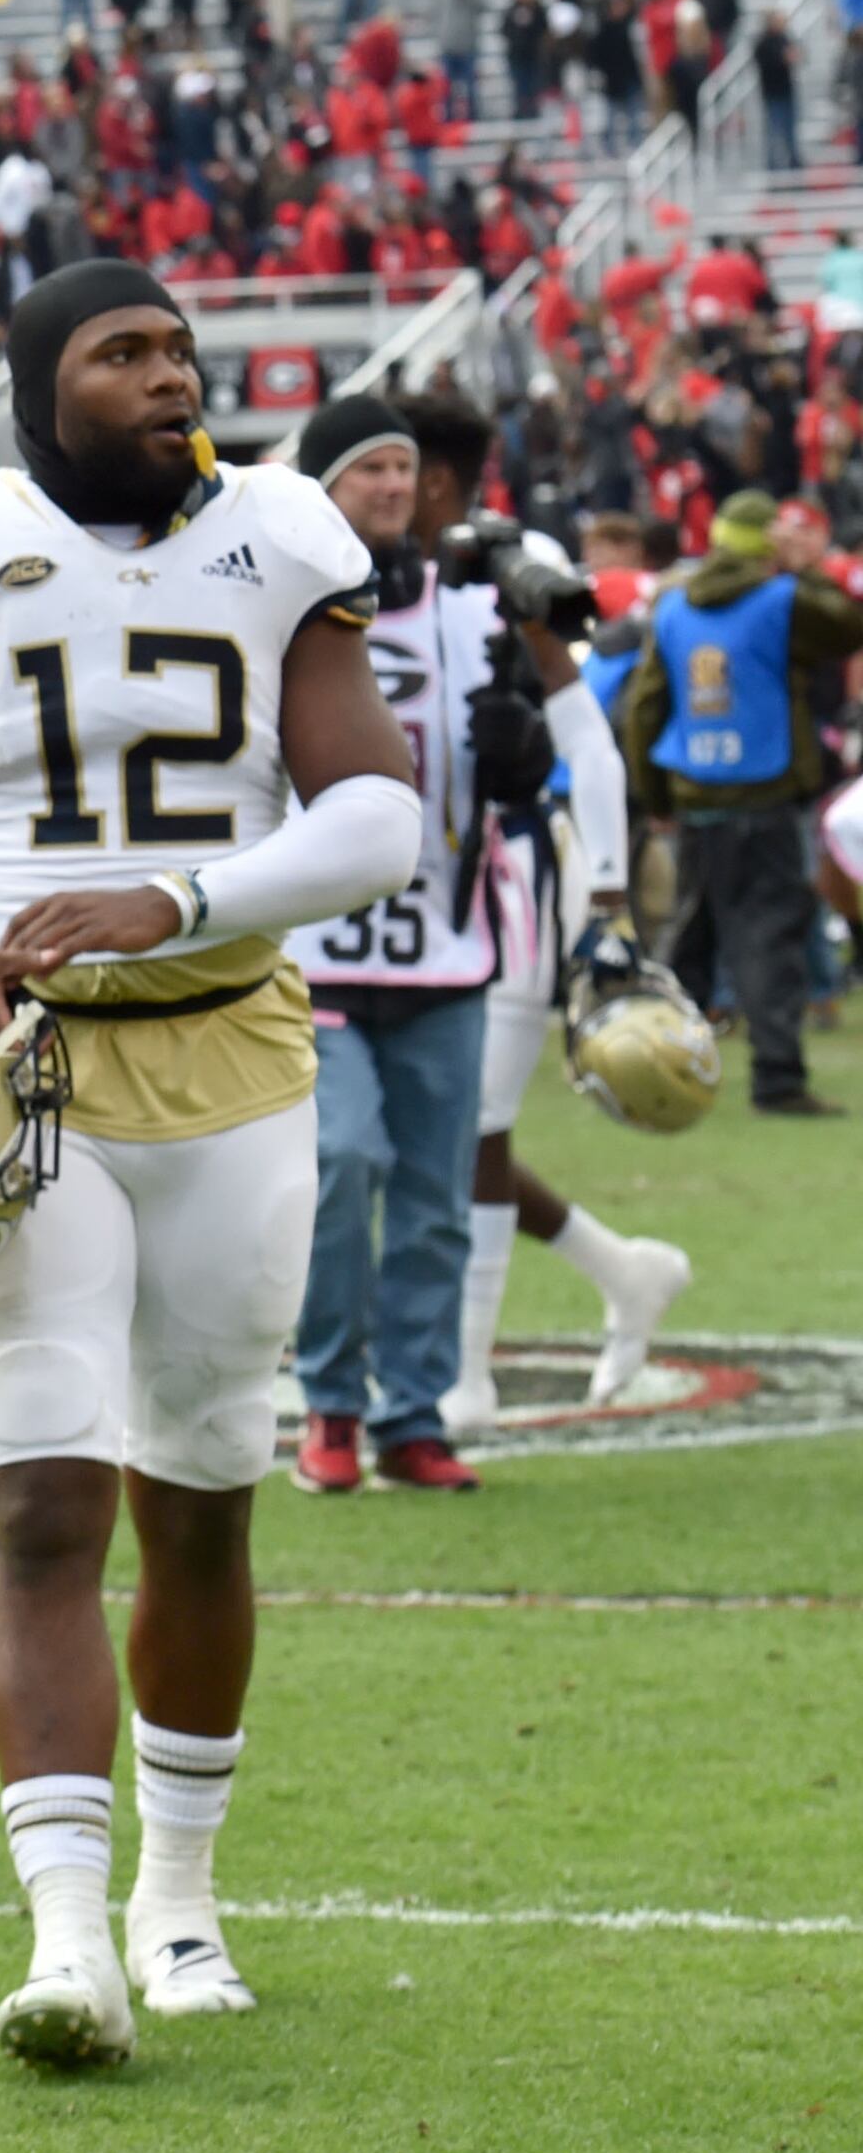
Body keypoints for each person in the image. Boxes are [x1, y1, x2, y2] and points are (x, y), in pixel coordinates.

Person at [0, 261, 419, 2063]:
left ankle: (182, 1896)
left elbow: (374, 811)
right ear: (33, 385)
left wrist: (181, 895)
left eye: (178, 350)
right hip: (22, 1075)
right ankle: (67, 1935)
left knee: (202, 1497)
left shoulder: (286, 533)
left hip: (231, 1050)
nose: (168, 375)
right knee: (42, 1499)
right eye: (122, 352)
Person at [276, 400, 574, 1497]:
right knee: (343, 1162)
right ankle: (331, 1404)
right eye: (369, 469)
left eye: (405, 467)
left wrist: (524, 754)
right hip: (319, 952)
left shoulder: (477, 609)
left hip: (449, 947)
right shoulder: (282, 611)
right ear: (323, 485)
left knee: (440, 1199)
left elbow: (525, 761)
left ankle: (414, 1412)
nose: (395, 486)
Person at [384, 399, 687, 1429]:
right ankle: (624, 1270)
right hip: (381, 883)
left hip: (502, 873)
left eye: (386, 467)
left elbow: (586, 738)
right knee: (408, 1127)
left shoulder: (518, 570)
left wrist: (608, 902)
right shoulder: (338, 567)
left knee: (473, 1125)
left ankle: (466, 1372)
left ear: (427, 479)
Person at [623, 488, 863, 1116]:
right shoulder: (783, 601)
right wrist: (805, 569)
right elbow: (849, 626)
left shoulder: (673, 607)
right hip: (767, 792)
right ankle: (778, 1078)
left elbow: (647, 709)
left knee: (687, 940)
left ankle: (649, 1063)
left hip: (696, 796)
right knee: (771, 938)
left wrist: (656, 794)